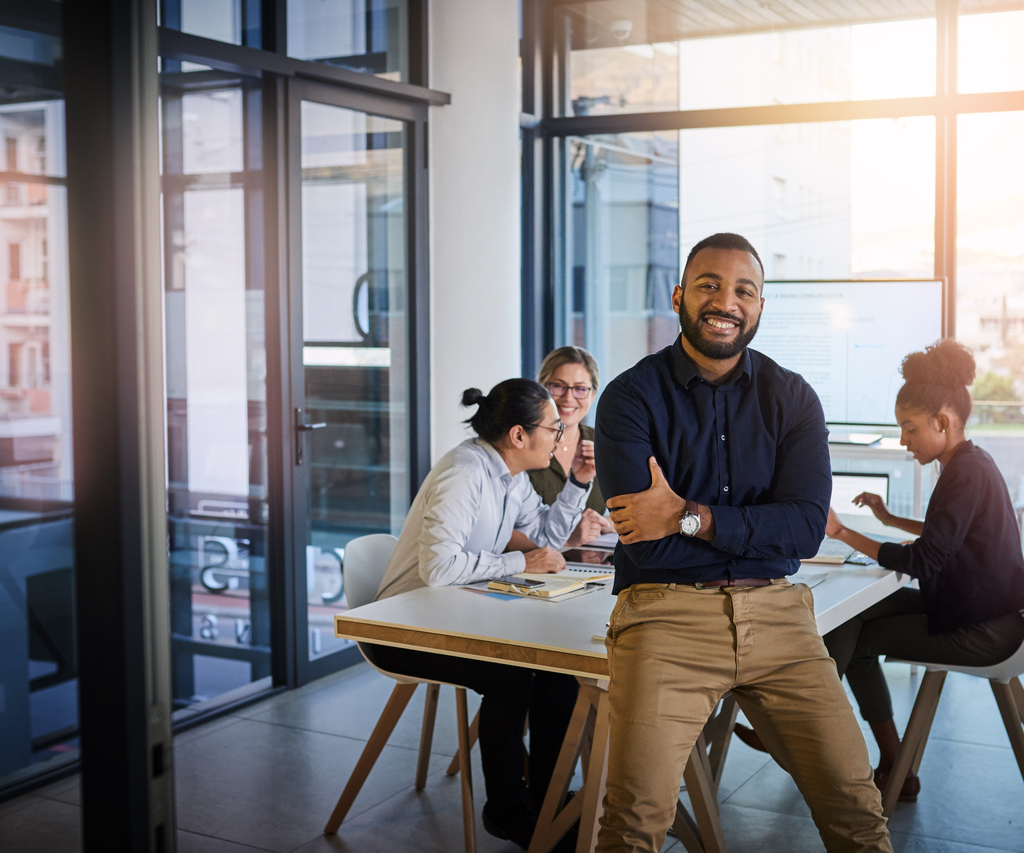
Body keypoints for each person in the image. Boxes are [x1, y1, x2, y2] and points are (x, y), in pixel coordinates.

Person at [593, 233, 893, 853]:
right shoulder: (629, 398)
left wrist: (689, 516)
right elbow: (645, 545)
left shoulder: (793, 398)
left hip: (780, 615)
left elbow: (806, 528)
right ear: (680, 296)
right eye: (709, 284)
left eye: (743, 290)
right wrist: (752, 529)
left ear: (758, 308)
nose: (725, 301)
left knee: (857, 804)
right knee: (633, 823)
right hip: (664, 617)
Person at [776, 339, 1024, 804]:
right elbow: (949, 534)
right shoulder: (971, 463)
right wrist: (888, 521)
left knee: (853, 634)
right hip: (990, 611)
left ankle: (809, 734)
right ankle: (836, 740)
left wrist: (840, 532)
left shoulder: (964, 473)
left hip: (987, 629)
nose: (904, 440)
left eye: (910, 428)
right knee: (855, 617)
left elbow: (925, 560)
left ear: (942, 421)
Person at [374, 378, 597, 849]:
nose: (561, 437)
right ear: (519, 435)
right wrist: (520, 561)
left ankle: (546, 797)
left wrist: (577, 482)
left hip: (457, 615)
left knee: (558, 671)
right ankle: (507, 810)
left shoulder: (509, 477)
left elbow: (546, 537)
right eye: (554, 428)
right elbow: (439, 568)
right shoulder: (465, 471)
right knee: (511, 678)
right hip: (403, 627)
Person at [527, 345, 614, 553]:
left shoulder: (606, 444)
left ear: (593, 394)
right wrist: (567, 539)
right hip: (532, 567)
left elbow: (632, 506)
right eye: (558, 386)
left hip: (591, 567)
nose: (568, 398)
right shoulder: (523, 445)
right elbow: (505, 531)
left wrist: (606, 524)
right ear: (542, 388)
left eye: (580, 389)